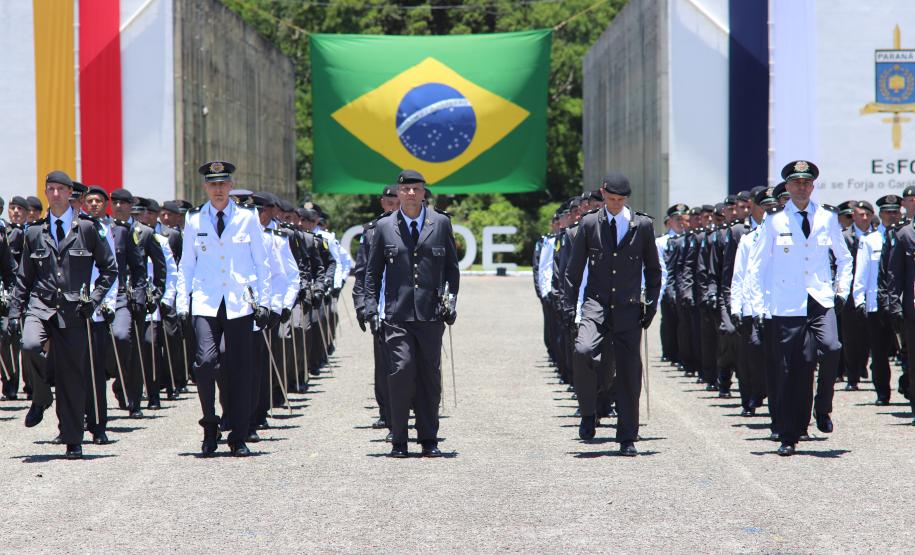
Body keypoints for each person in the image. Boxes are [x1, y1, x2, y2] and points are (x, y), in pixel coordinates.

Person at [7, 171, 117, 459]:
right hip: (40, 306)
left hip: (73, 310)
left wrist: (93, 300)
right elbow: (23, 278)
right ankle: (41, 396)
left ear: (71, 194)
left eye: (60, 189)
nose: (55, 194)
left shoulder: (88, 229)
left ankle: (72, 438)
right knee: (30, 346)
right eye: (50, 189)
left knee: (72, 376)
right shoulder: (34, 232)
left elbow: (110, 269)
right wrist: (13, 313)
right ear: (46, 193)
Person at [748, 160, 852, 456]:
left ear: (813, 186)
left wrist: (840, 290)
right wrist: (759, 306)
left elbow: (843, 258)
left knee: (831, 347)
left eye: (807, 183)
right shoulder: (774, 221)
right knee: (796, 369)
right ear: (788, 187)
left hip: (819, 298)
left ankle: (823, 408)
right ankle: (790, 434)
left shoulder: (827, 218)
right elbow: (757, 266)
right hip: (787, 303)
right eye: (796, 183)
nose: (802, 188)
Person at [176, 161, 271, 457]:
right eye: (212, 184)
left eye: (222, 184)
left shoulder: (248, 218)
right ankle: (210, 424)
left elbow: (261, 262)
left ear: (230, 186)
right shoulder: (194, 220)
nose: (218, 189)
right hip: (205, 301)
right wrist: (182, 303)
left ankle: (239, 435)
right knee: (205, 363)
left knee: (240, 371)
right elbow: (186, 265)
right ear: (205, 187)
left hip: (240, 303)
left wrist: (264, 301)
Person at [563, 172, 661, 456]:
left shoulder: (641, 225)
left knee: (630, 372)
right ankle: (589, 411)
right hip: (596, 304)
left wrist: (651, 306)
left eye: (621, 200)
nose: (616, 204)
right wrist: (570, 308)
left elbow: (654, 271)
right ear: (602, 193)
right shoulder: (590, 223)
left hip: (629, 307)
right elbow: (574, 269)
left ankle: (627, 435)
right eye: (611, 199)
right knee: (583, 351)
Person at [364, 170, 459, 458]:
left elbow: (451, 270)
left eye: (416, 189)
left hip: (430, 314)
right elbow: (372, 272)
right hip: (397, 314)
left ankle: (429, 439)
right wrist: (370, 306)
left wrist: (450, 301)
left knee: (429, 376)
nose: (410, 194)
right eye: (405, 189)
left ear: (424, 192)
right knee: (401, 371)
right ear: (398, 192)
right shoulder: (384, 227)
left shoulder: (440, 223)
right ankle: (399, 439)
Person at [353, 185, 400, 432]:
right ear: (382, 202)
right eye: (389, 200)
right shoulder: (371, 232)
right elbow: (362, 273)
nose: (392, 204)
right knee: (383, 364)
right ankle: (386, 411)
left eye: (396, 199)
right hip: (380, 307)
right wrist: (362, 306)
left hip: (405, 305)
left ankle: (405, 408)